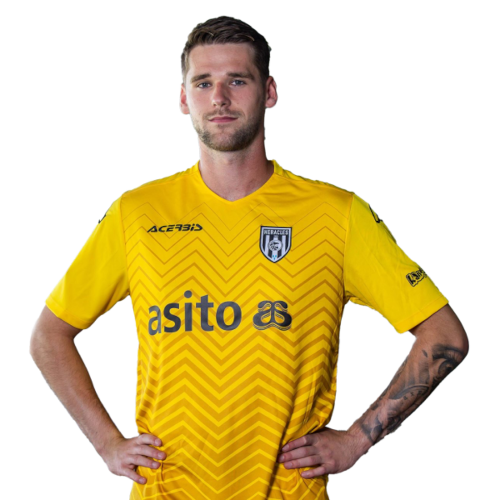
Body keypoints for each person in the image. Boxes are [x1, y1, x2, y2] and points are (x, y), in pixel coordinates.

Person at [29, 15, 469, 500]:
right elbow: (48, 334)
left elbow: (445, 335)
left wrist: (358, 438)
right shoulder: (136, 213)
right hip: (166, 492)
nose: (219, 97)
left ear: (270, 92)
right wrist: (107, 444)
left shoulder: (337, 214)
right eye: (203, 83)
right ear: (184, 99)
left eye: (237, 80)